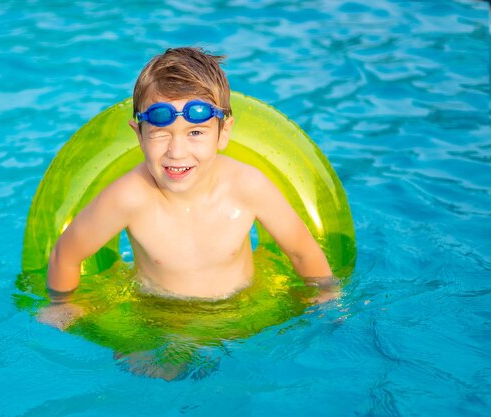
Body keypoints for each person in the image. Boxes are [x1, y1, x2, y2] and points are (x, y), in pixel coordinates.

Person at [38, 47, 339, 330]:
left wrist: (325, 294)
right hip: (160, 317)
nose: (177, 152)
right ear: (139, 135)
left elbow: (302, 252)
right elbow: (65, 254)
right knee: (153, 372)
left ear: (224, 133)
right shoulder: (129, 198)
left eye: (195, 132)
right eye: (161, 133)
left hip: (244, 309)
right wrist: (63, 304)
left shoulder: (248, 186)